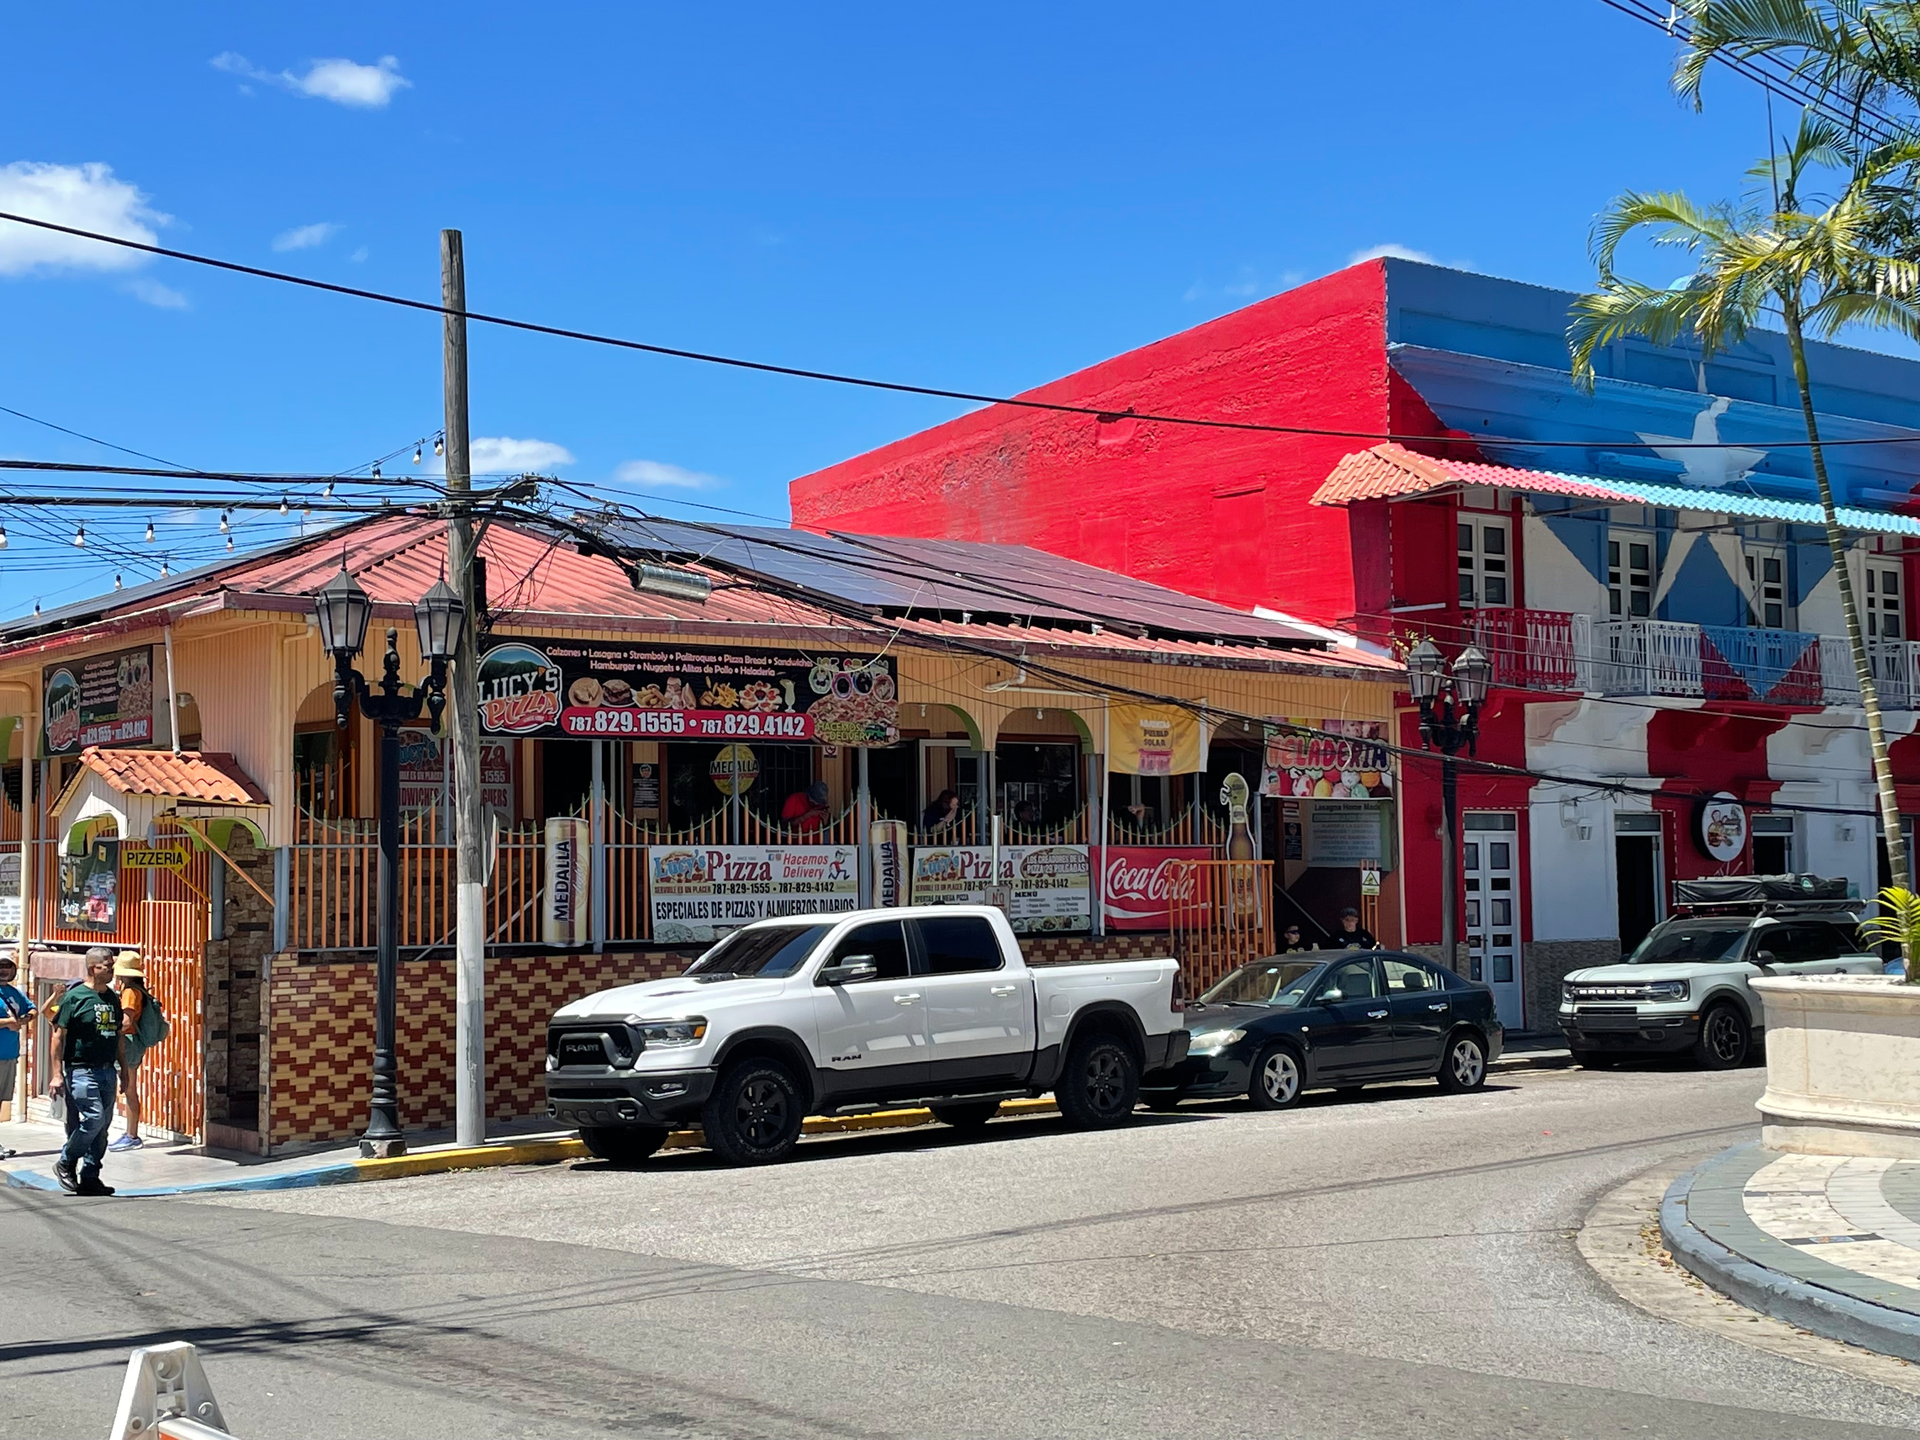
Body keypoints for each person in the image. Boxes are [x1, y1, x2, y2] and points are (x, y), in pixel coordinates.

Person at [49, 949, 122, 1196]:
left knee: (102, 1128)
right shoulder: (75, 997)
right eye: (108, 966)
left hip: (107, 1071)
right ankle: (66, 1161)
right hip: (81, 1070)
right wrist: (57, 1074)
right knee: (94, 1119)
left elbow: (118, 1036)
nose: (112, 970)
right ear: (93, 969)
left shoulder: (112, 998)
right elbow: (58, 1036)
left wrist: (126, 1073)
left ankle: (91, 1176)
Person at [110, 952, 155, 1153]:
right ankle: (131, 1133)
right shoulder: (138, 990)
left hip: (128, 1042)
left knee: (129, 1089)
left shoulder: (129, 992)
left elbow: (126, 1021)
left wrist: (108, 1029)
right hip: (133, 1041)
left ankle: (132, 1135)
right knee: (130, 1089)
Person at [0, 956, 33, 1152]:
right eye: (0, 966)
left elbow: (33, 1009)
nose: (4, 970)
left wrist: (25, 1018)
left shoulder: (14, 993)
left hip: (9, 1055)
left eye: (7, 966)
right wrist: (7, 1023)